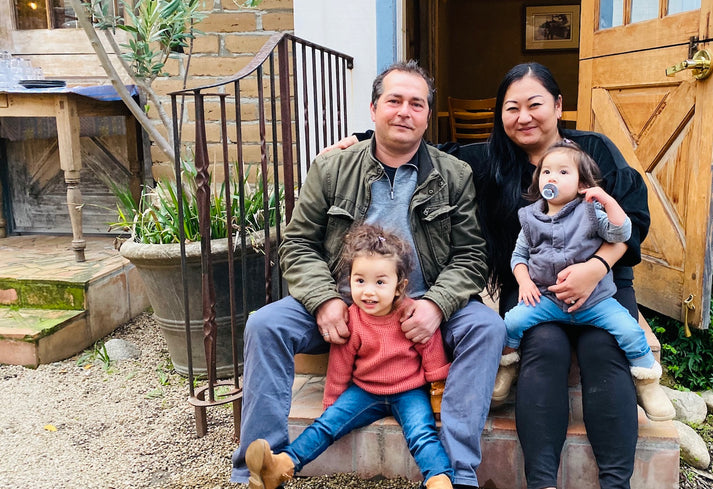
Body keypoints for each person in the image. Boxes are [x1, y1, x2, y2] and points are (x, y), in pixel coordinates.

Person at [329, 62, 650, 488]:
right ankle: (541, 482)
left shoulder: (595, 151)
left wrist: (595, 268)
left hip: (603, 285)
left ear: (557, 105)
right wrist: (366, 140)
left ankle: (615, 483)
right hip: (533, 288)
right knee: (543, 350)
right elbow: (433, 149)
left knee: (602, 350)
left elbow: (633, 219)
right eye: (511, 107)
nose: (524, 117)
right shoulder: (492, 159)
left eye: (535, 105)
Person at [230, 60, 506, 489]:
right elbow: (297, 244)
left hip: (422, 309)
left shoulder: (454, 176)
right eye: (394, 100)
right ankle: (259, 470)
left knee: (486, 326)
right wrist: (324, 300)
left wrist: (436, 304)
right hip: (345, 306)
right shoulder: (332, 169)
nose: (404, 112)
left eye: (417, 104)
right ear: (374, 108)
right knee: (265, 324)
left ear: (428, 117)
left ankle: (458, 475)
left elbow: (471, 255)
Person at [245, 224, 454, 489]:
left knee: (422, 434)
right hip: (365, 391)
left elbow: (431, 347)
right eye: (360, 281)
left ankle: (438, 478)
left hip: (410, 391)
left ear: (399, 287)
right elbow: (340, 363)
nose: (368, 291)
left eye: (380, 282)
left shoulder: (411, 314)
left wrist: (437, 388)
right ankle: (281, 466)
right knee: (324, 427)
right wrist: (333, 402)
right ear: (349, 280)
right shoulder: (352, 318)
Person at [493, 140, 673, 423]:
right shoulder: (531, 218)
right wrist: (524, 281)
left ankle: (648, 382)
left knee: (629, 330)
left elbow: (620, 232)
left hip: (594, 301)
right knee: (511, 323)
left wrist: (608, 201)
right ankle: (507, 366)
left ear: (581, 185)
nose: (552, 177)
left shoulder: (591, 212)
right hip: (548, 299)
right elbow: (519, 256)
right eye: (546, 172)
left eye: (563, 172)